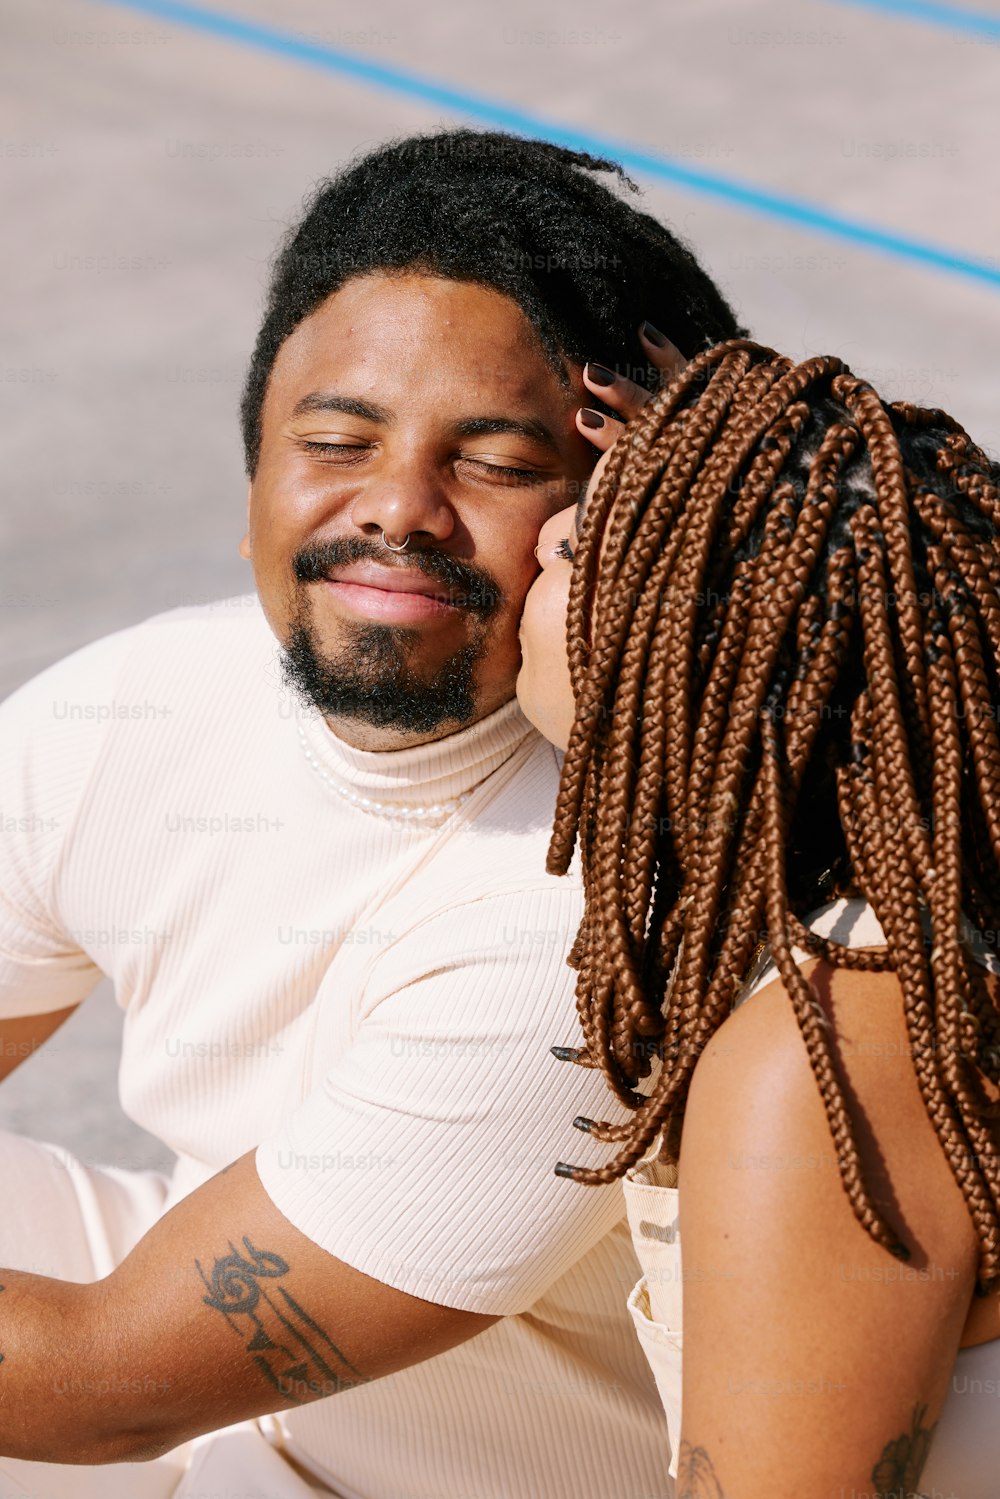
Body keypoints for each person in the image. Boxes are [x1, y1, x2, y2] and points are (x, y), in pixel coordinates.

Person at [0, 128, 741, 1496]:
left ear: (629, 521)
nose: (399, 507)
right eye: (338, 440)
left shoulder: (590, 904)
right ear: (253, 487)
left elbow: (104, 1386)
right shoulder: (138, 704)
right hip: (199, 1371)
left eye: (500, 462)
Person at [516, 336, 1000, 1498]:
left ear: (684, 645)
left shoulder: (832, 1048)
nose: (540, 536)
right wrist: (743, 464)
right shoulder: (928, 921)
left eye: (584, 542)